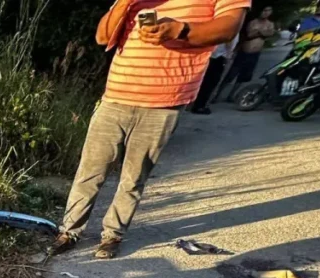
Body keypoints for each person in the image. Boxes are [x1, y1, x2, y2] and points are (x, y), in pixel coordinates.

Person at [48, 0, 250, 260]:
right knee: (89, 172)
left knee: (133, 177)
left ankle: (112, 235)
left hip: (164, 102)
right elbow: (102, 36)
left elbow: (228, 28)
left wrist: (179, 29)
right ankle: (69, 231)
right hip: (115, 97)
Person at [223, 6, 277, 102]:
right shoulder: (253, 22)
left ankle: (231, 95)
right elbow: (250, 34)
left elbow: (270, 33)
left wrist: (259, 31)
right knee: (231, 75)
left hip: (255, 54)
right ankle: (216, 95)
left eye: (268, 11)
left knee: (243, 77)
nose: (266, 13)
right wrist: (262, 32)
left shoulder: (270, 24)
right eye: (264, 10)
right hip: (244, 52)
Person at [190, 32, 239, 113]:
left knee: (201, 80)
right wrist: (229, 55)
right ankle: (200, 105)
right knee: (210, 82)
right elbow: (229, 41)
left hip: (207, 54)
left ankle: (192, 103)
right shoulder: (231, 26)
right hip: (219, 56)